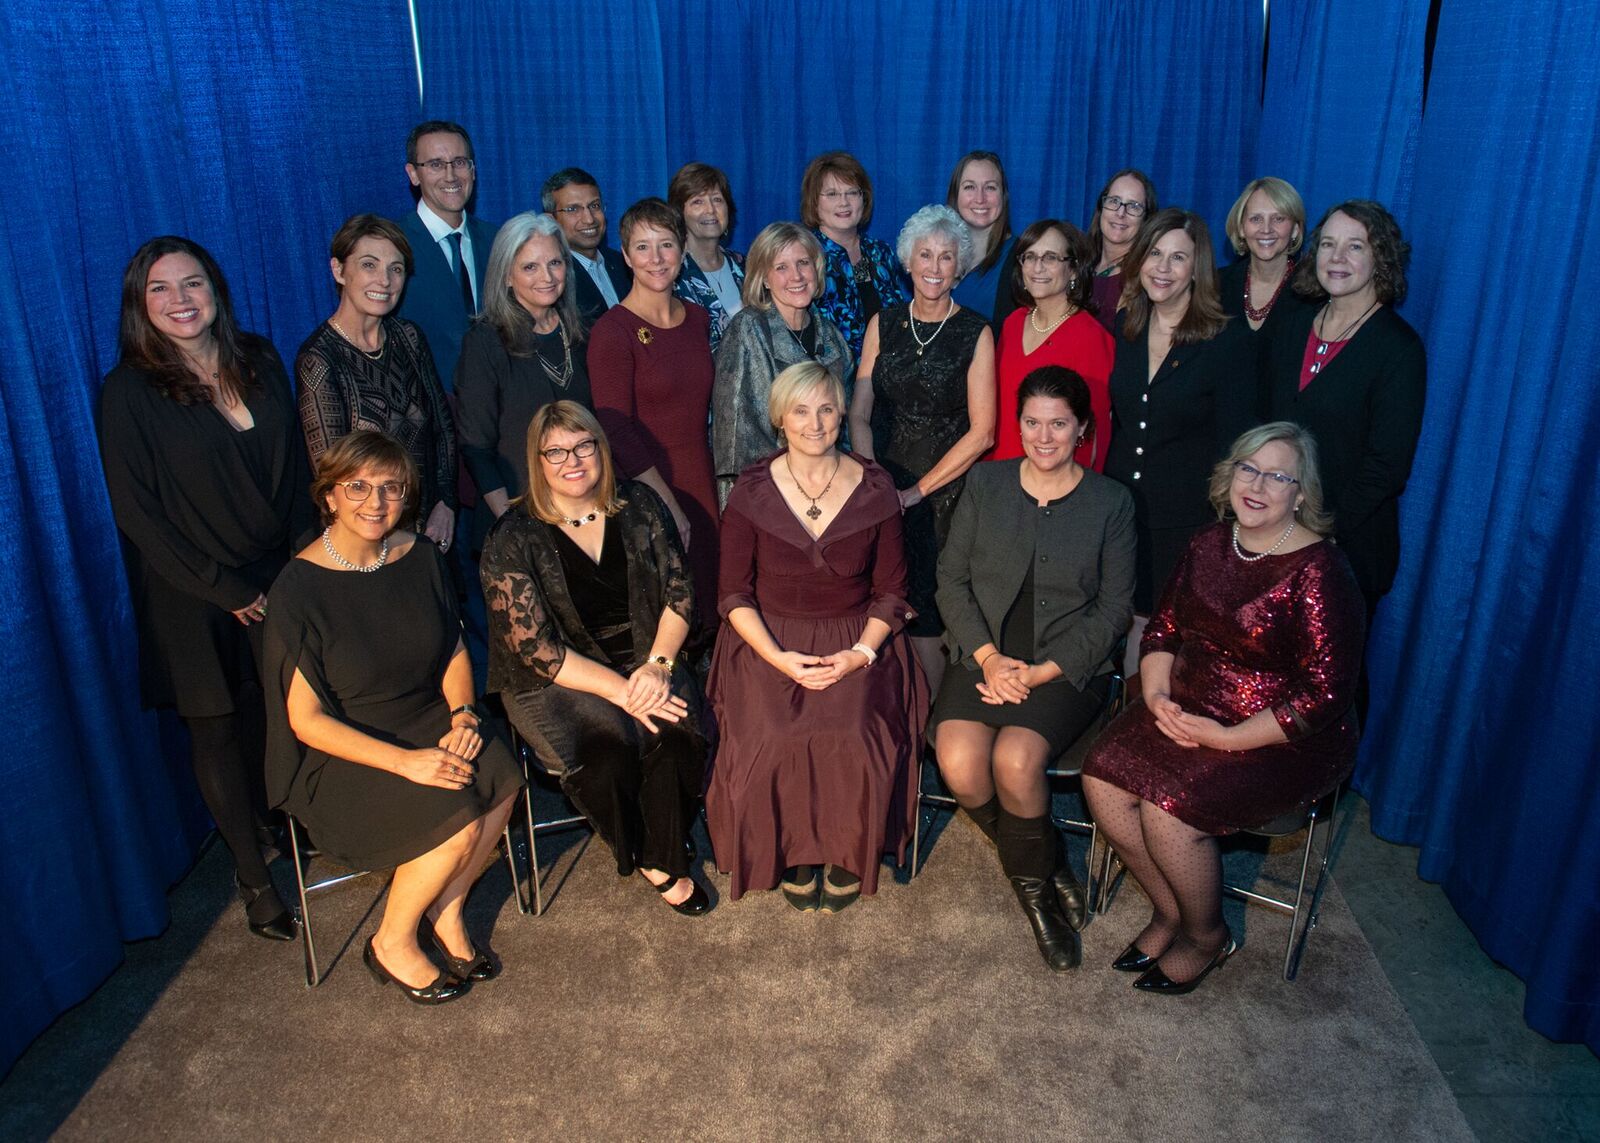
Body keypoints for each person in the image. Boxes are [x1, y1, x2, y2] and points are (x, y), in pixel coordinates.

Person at [1082, 422, 1366, 994]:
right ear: (1229, 474)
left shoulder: (1321, 570)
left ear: (1301, 494)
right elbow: (1163, 630)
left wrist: (1226, 738)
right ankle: (1172, 911)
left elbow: (1325, 694)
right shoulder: (1209, 543)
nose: (1257, 485)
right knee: (1101, 780)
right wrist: (1157, 698)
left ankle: (1206, 936)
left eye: (1278, 476)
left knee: (1168, 813)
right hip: (1189, 700)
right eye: (1248, 469)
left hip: (1284, 735)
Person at [99, 236, 312, 942]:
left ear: (215, 288)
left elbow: (296, 469)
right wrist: (224, 588)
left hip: (273, 573)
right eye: (160, 289)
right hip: (189, 591)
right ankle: (253, 877)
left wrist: (298, 562)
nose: (180, 300)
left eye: (192, 283)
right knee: (216, 727)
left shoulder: (260, 358)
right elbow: (138, 514)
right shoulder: (129, 391)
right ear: (140, 305)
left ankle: (284, 823)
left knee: (276, 711)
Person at [264, 431, 523, 1003]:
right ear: (329, 496)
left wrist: (463, 716)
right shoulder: (297, 588)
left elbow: (453, 649)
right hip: (344, 748)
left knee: (501, 778)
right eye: (357, 486)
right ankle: (391, 942)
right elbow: (306, 720)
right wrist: (407, 763)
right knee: (456, 816)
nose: (375, 501)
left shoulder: (420, 556)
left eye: (391, 487)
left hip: (425, 715)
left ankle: (446, 912)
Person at [933, 367, 1135, 971]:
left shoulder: (1111, 503)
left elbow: (1114, 611)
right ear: (1017, 424)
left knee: (1016, 761)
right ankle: (1046, 863)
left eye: (1058, 424)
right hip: (984, 652)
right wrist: (990, 659)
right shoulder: (985, 482)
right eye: (1031, 422)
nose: (1043, 437)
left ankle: (1037, 903)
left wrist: (1040, 673)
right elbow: (951, 581)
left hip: (1067, 666)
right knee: (958, 761)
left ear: (1082, 428)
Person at [706, 363, 928, 911]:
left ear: (842, 415)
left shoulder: (876, 488)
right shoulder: (750, 491)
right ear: (779, 419)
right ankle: (792, 849)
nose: (815, 423)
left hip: (858, 637)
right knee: (774, 736)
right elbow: (733, 593)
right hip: (766, 639)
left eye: (827, 409)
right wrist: (778, 658)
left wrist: (860, 654)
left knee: (853, 733)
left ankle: (847, 848)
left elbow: (892, 591)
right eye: (801, 411)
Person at [480, 402, 711, 915]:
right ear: (537, 460)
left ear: (601, 449)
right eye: (556, 452)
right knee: (607, 753)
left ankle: (661, 843)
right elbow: (537, 649)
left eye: (583, 446)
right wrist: (624, 693)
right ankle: (655, 859)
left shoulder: (640, 504)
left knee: (677, 736)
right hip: (557, 677)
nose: (573, 461)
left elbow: (680, 591)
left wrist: (658, 666)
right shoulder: (512, 536)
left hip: (649, 655)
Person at [1103, 208, 1258, 673]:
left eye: (1178, 258)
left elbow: (1237, 448)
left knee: (1163, 631)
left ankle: (1145, 712)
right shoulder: (1126, 326)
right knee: (1119, 618)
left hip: (1186, 519)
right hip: (1120, 509)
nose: (1163, 268)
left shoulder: (1228, 342)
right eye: (1155, 254)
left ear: (1197, 269)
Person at [849, 205, 996, 694]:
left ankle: (928, 722)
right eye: (925, 255)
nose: (934, 266)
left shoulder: (976, 331)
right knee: (878, 599)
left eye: (946, 257)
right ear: (907, 262)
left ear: (960, 267)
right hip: (880, 485)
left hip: (944, 495)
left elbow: (983, 432)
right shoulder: (883, 323)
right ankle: (886, 714)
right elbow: (859, 412)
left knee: (928, 609)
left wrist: (915, 492)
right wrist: (874, 480)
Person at [1265, 200, 1427, 615]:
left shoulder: (1398, 349)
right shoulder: (1294, 322)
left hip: (1346, 553)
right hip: (1273, 532)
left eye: (1355, 246)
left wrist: (1318, 531)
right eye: (1328, 244)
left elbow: (1387, 466)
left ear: (1381, 259)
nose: (1337, 257)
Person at [588, 198, 719, 637]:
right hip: (648, 489)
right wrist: (666, 503)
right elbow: (614, 428)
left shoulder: (698, 318)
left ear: (682, 250)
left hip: (704, 480)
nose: (656, 258)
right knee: (670, 614)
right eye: (642, 247)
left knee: (713, 606)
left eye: (666, 244)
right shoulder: (613, 331)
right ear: (625, 256)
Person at [296, 214, 459, 555]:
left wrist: (446, 503)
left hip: (431, 532)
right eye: (369, 265)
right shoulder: (319, 359)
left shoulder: (409, 337)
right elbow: (333, 477)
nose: (384, 280)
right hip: (367, 540)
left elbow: (442, 429)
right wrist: (394, 543)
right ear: (339, 270)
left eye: (396, 269)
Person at [456, 212, 591, 523]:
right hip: (519, 513)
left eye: (555, 263)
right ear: (506, 275)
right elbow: (477, 450)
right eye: (530, 267)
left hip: (584, 510)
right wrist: (513, 526)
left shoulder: (584, 333)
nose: (547, 277)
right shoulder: (484, 343)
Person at [711, 221, 852, 505]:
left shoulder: (832, 336)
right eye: (781, 267)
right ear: (764, 279)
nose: (796, 276)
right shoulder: (748, 330)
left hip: (829, 491)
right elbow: (735, 439)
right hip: (770, 496)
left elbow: (843, 427)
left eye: (803, 263)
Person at [992, 219, 1116, 469]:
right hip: (997, 472)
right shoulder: (1013, 323)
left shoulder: (1091, 337)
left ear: (1073, 269)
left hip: (1052, 479)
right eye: (1029, 257)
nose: (1037, 267)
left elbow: (1093, 433)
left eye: (1050, 258)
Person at [394, 120, 496, 393]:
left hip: (497, 402)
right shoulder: (393, 245)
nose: (451, 176)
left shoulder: (498, 241)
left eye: (459, 162)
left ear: (473, 170)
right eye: (436, 164)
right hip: (426, 403)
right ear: (413, 174)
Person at [801, 150, 910, 358]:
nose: (844, 202)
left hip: (888, 371)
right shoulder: (805, 257)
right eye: (832, 194)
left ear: (864, 199)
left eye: (852, 192)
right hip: (829, 374)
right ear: (814, 202)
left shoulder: (880, 253)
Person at [1218, 177, 1310, 337]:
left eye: (1278, 219)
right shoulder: (1215, 286)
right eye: (1256, 219)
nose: (1266, 229)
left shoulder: (1312, 292)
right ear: (1241, 228)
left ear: (1295, 229)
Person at [668, 162, 745, 352]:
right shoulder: (671, 275)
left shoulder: (746, 266)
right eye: (697, 201)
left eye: (717, 200)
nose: (710, 209)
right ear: (680, 213)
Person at [543, 167, 632, 326]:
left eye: (595, 206)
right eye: (573, 209)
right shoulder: (552, 278)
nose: (589, 219)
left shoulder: (623, 263)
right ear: (552, 220)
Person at [946, 150, 1015, 326]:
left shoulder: (1021, 259)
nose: (980, 198)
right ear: (955, 195)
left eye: (990, 187)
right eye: (970, 187)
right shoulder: (938, 256)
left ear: (1003, 196)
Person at [1085, 169, 1158, 332]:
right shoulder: (1079, 263)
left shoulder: (1146, 278)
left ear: (1146, 218)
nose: (1120, 213)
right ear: (1101, 207)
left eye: (1134, 206)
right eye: (1114, 201)